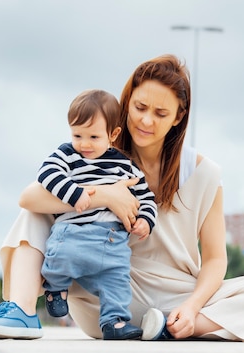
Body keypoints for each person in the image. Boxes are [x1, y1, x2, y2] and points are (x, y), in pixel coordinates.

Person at [0, 54, 244, 341]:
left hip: (177, 295)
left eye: (160, 113)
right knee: (39, 209)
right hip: (110, 289)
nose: (145, 120)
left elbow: (215, 260)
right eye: (139, 107)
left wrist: (193, 306)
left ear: (179, 117)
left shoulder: (205, 173)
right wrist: (107, 195)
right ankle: (21, 313)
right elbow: (29, 197)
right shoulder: (97, 152)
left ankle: (177, 329)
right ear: (127, 102)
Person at [37, 89, 157, 340]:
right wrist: (75, 193)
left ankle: (114, 321)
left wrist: (146, 219)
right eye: (77, 134)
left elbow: (146, 197)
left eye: (93, 136)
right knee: (60, 256)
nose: (84, 143)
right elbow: (46, 174)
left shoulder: (125, 166)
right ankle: (56, 287)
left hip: (113, 241)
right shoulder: (67, 154)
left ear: (113, 135)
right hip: (74, 232)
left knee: (117, 281)